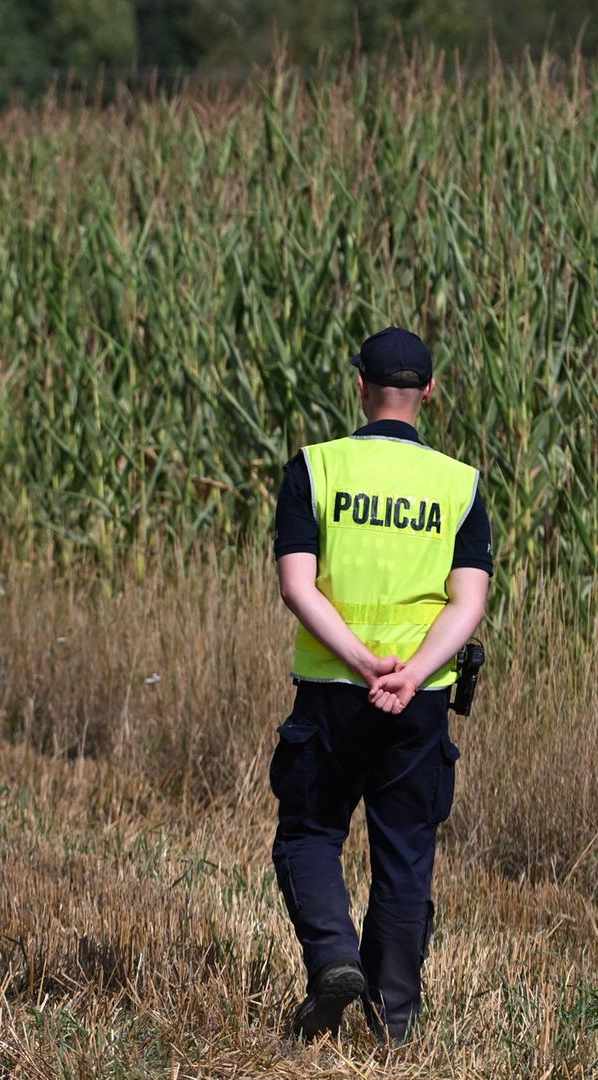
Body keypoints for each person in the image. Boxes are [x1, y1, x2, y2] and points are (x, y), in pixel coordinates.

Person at [270, 327, 493, 1044]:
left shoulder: (316, 468)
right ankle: (392, 1023)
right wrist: (415, 671)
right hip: (419, 701)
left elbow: (296, 586)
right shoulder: (459, 485)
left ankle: (335, 956)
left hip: (335, 690)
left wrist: (362, 662)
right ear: (429, 391)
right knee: (404, 855)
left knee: (308, 834)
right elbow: (469, 602)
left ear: (359, 385)